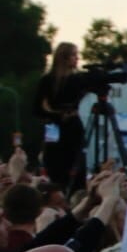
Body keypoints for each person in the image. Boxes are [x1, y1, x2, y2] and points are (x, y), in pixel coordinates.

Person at [34, 42, 87, 190]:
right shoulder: (47, 81)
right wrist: (58, 115)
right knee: (57, 169)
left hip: (72, 129)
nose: (77, 59)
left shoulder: (78, 79)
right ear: (64, 58)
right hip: (56, 129)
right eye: (74, 55)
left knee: (77, 167)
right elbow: (38, 108)